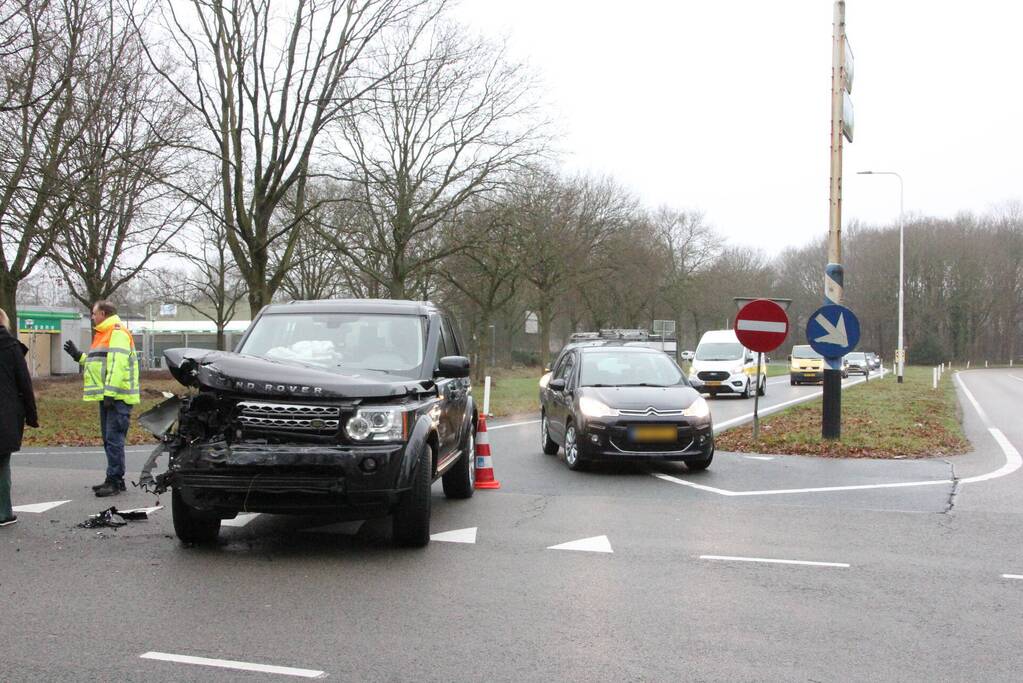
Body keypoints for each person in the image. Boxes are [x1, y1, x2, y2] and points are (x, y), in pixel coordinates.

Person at [64, 300, 140, 497]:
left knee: (114, 439)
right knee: (109, 439)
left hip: (117, 397)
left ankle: (115, 481)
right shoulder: (105, 333)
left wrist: (110, 393)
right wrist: (78, 356)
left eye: (94, 313)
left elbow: (118, 365)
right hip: (112, 396)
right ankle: (113, 478)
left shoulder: (116, 332)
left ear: (104, 313)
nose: (92, 316)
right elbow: (98, 363)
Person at [0, 307, 39, 527]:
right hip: (5, 413)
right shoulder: (11, 347)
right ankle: (4, 512)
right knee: (2, 463)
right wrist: (31, 416)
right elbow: (24, 383)